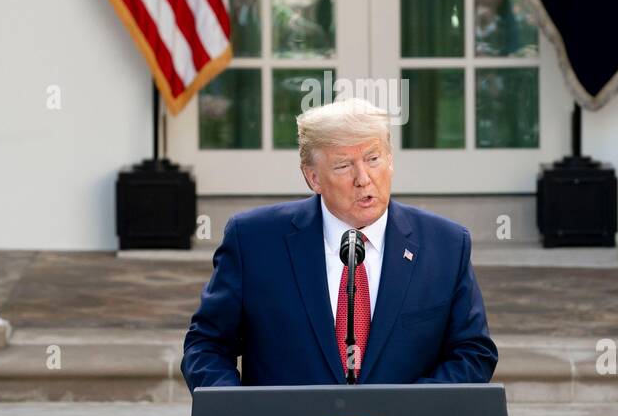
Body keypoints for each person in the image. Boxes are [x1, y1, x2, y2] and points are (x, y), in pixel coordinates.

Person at [181, 97, 498, 389]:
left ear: (390, 161)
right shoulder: (253, 241)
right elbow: (206, 346)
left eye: (373, 158)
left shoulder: (446, 245)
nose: (363, 178)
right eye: (344, 165)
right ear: (313, 178)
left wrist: (408, 411)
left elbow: (473, 353)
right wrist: (240, 413)